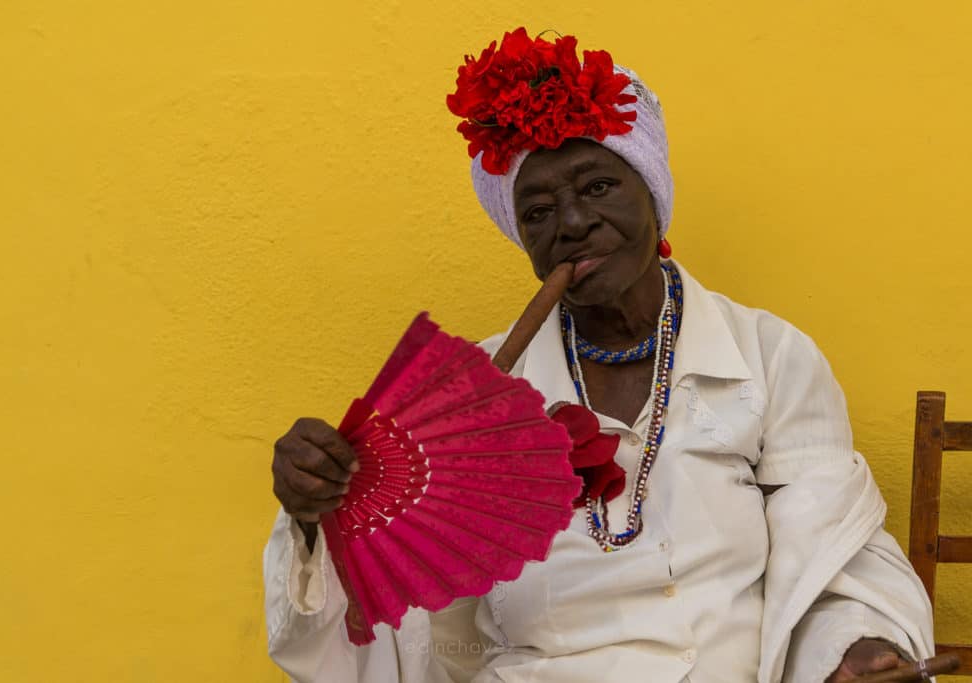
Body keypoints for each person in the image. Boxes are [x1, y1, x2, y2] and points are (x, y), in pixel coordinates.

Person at [264, 28, 934, 683]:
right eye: (538, 212)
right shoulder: (467, 403)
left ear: (654, 195)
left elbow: (832, 558)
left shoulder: (770, 356)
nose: (573, 223)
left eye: (597, 187)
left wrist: (853, 649)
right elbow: (389, 606)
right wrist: (317, 512)